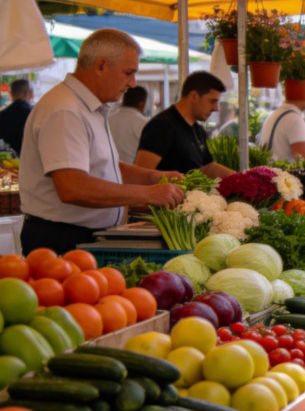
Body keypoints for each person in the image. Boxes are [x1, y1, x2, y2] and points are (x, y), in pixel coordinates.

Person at [19, 29, 185, 254]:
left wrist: (153, 177)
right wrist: (148, 193)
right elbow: (72, 187)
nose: (133, 83)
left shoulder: (90, 107)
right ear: (100, 66)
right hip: (61, 238)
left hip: (81, 235)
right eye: (128, 73)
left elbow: (105, 168)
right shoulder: (65, 110)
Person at [135, 71, 234, 178]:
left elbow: (209, 168)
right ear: (194, 96)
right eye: (212, 101)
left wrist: (243, 178)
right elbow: (140, 174)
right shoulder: (161, 126)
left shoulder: (197, 129)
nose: (216, 108)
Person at [260, 94, 305, 166]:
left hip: (274, 172)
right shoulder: (294, 118)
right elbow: (304, 163)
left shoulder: (274, 114)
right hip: (285, 175)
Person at [108, 86, 149, 163]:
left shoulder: (107, 119)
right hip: (133, 170)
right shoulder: (144, 124)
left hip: (108, 169)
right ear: (142, 104)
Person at [0, 78, 33, 155]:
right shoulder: (32, 113)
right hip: (29, 157)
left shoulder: (3, 114)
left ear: (11, 94)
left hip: (9, 159)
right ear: (28, 93)